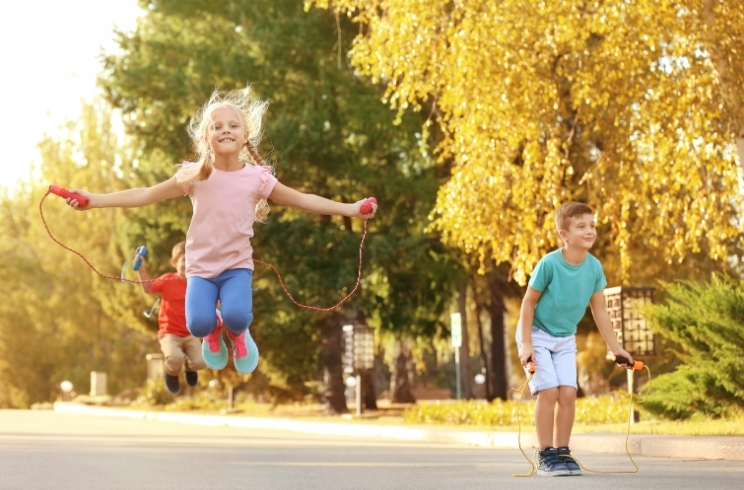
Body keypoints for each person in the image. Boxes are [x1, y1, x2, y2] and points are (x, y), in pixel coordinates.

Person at [64, 86, 377, 375]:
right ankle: (213, 332)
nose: (225, 129)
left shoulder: (258, 179)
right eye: (216, 126)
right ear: (206, 138)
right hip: (199, 270)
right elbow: (145, 194)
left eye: (232, 125)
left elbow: (304, 200)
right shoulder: (195, 175)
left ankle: (239, 335)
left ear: (245, 136)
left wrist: (350, 208)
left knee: (238, 316)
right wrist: (94, 201)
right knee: (198, 325)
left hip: (235, 268)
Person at [516, 201, 633, 477]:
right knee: (549, 391)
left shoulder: (594, 267)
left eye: (592, 225)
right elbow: (527, 303)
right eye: (581, 226)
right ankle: (545, 454)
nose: (589, 230)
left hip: (565, 338)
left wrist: (616, 349)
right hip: (536, 334)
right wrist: (527, 344)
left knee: (568, 392)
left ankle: (562, 452)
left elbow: (599, 310)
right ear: (564, 235)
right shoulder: (550, 263)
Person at [136, 241, 206, 394]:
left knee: (201, 362)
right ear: (175, 262)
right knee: (175, 358)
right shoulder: (168, 280)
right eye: (184, 260)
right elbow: (148, 288)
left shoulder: (198, 284)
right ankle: (171, 373)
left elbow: (211, 304)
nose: (188, 264)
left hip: (190, 333)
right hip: (170, 333)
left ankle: (189, 368)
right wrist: (141, 269)